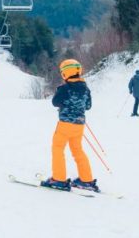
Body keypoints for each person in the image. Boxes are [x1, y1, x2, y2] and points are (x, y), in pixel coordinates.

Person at [41, 59, 98, 192]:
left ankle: (59, 179)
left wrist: (61, 94)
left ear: (65, 73)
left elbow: (55, 102)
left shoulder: (64, 88)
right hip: (79, 125)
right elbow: (88, 106)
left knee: (58, 148)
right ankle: (86, 180)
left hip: (65, 124)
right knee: (78, 150)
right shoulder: (85, 88)